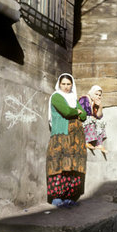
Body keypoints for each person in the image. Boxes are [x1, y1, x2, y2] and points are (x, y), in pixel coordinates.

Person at [47, 73, 87, 208]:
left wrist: (76, 111)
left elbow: (85, 115)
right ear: (59, 84)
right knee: (58, 165)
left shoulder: (73, 99)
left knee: (73, 166)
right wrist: (77, 112)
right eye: (63, 84)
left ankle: (69, 197)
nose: (65, 87)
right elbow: (66, 112)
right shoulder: (56, 96)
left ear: (72, 85)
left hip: (76, 139)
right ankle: (57, 198)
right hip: (61, 136)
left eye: (68, 84)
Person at [78, 85, 108, 153]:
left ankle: (99, 144)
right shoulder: (85, 99)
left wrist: (100, 107)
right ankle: (86, 140)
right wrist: (92, 116)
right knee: (91, 119)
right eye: (96, 94)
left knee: (101, 122)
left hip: (90, 121)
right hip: (82, 121)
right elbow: (83, 113)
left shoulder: (96, 103)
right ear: (92, 93)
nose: (98, 96)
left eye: (99, 95)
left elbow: (99, 116)